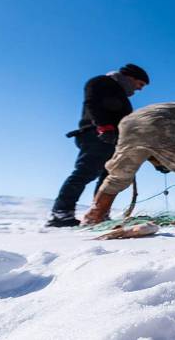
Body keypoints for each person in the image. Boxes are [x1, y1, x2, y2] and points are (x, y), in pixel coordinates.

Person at [80, 102, 175, 225]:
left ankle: (95, 215)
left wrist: (158, 161)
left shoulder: (161, 109)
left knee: (117, 176)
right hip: (164, 126)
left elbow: (149, 147)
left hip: (128, 125)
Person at [46, 64, 149, 227]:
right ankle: (61, 214)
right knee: (85, 172)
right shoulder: (101, 82)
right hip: (96, 135)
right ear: (131, 77)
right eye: (140, 84)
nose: (140, 89)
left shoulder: (121, 95)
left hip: (114, 140)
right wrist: (104, 127)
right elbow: (92, 102)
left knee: (107, 177)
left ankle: (98, 213)